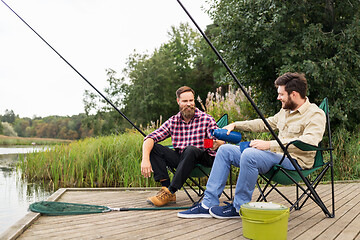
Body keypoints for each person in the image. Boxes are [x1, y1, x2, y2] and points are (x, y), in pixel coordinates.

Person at [178, 72, 326, 219]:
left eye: (281, 94)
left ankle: (239, 207)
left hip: (295, 163)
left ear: (293, 94)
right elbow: (264, 124)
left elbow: (309, 141)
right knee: (224, 150)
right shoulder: (286, 111)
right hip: (276, 157)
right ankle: (207, 204)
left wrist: (268, 145)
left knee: (250, 154)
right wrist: (236, 125)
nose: (278, 97)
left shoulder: (315, 114)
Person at [142, 86, 224, 207]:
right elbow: (150, 138)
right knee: (153, 147)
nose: (189, 104)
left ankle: (171, 190)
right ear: (178, 101)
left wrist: (217, 143)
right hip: (183, 159)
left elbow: (220, 140)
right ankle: (166, 189)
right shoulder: (173, 121)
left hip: (204, 158)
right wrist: (145, 159)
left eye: (191, 100)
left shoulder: (206, 119)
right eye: (185, 101)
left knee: (190, 149)